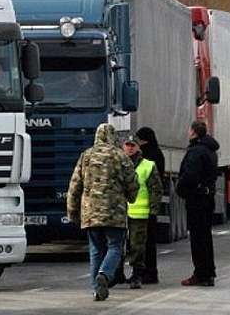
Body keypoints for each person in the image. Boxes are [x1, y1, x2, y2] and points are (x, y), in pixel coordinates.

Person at [66, 123, 138, 302]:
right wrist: (131, 197)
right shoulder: (121, 157)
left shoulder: (86, 156)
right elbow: (132, 183)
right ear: (114, 137)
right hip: (115, 212)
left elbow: (75, 186)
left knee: (96, 250)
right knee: (115, 247)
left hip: (90, 213)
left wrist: (72, 212)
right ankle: (105, 274)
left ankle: (97, 290)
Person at [177, 121, 219, 287]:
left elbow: (190, 176)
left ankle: (201, 274)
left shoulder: (196, 152)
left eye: (189, 130)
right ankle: (209, 272)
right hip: (208, 198)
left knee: (197, 238)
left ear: (194, 132)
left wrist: (181, 190)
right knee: (206, 236)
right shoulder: (210, 150)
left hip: (197, 199)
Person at [123, 134, 163, 289]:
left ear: (138, 147)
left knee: (137, 246)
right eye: (127, 144)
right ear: (123, 146)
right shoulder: (118, 164)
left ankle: (137, 274)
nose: (130, 148)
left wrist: (153, 210)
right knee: (120, 245)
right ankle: (118, 274)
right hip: (120, 213)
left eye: (133, 145)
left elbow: (156, 189)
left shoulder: (148, 165)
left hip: (140, 213)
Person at [135, 126, 165, 284]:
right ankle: (150, 272)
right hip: (150, 205)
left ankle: (147, 272)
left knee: (143, 242)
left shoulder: (146, 157)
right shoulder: (158, 154)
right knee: (148, 241)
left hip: (142, 206)